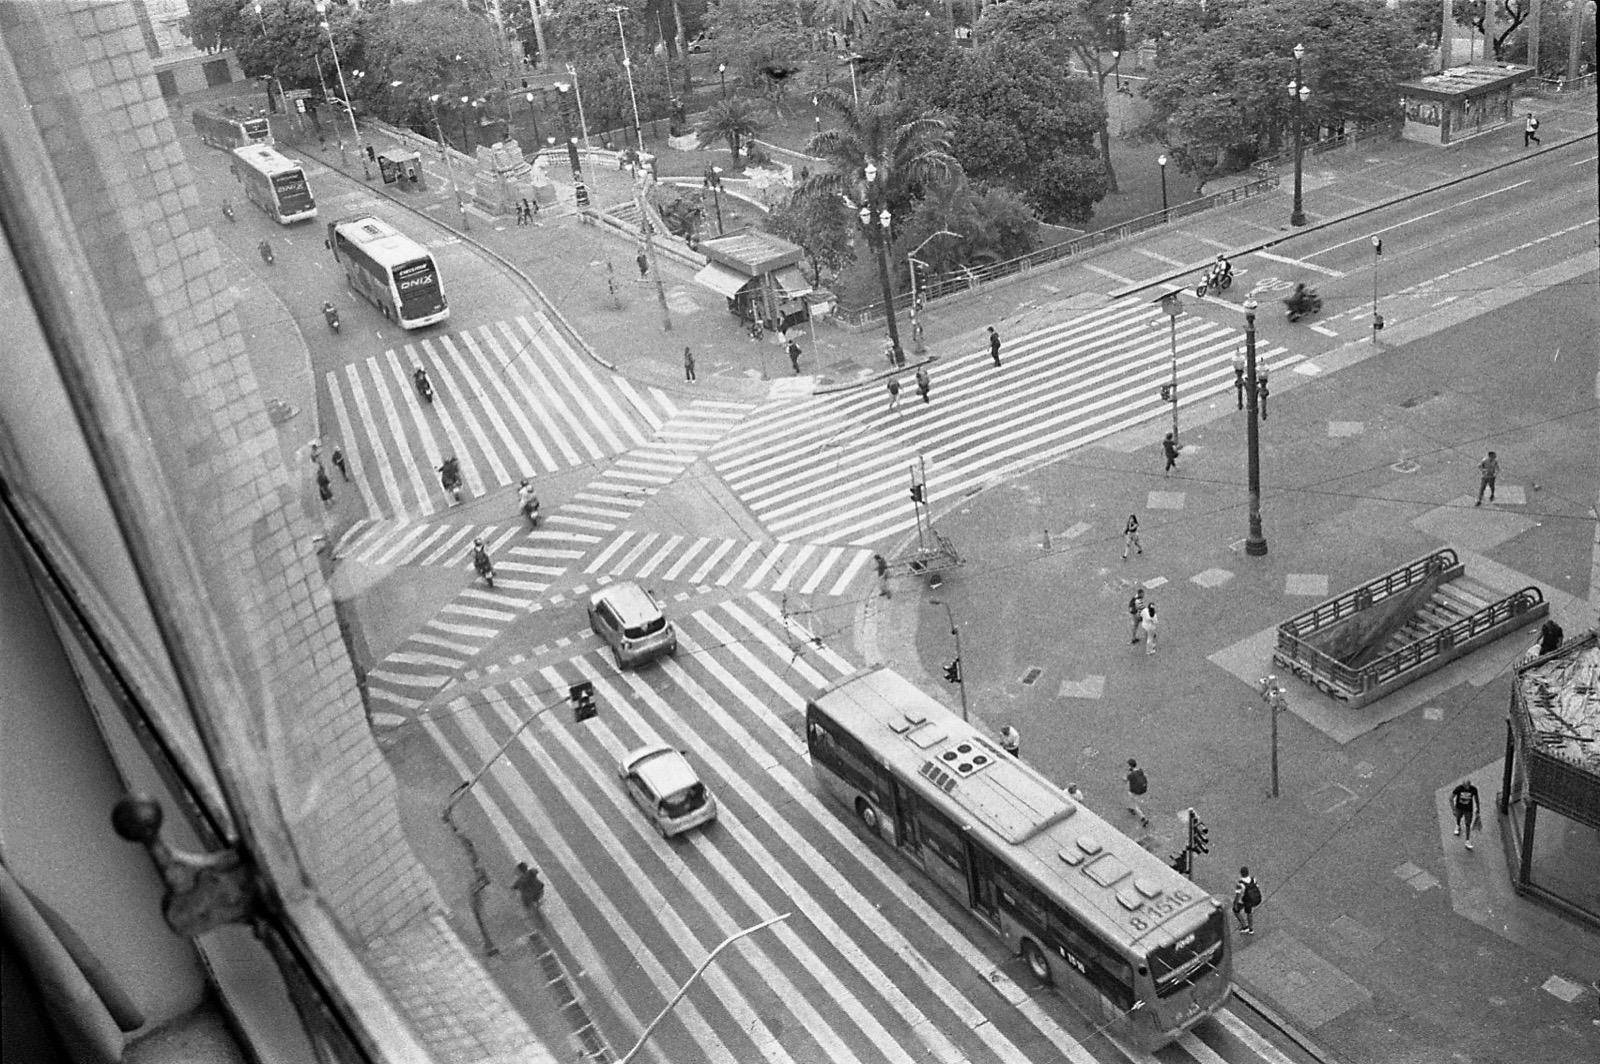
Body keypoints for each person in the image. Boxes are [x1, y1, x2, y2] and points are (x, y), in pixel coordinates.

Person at [1450, 780, 1481, 850]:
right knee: (1458, 817)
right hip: (1459, 808)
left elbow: (1476, 799)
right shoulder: (1459, 789)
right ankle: (1458, 825)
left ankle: (1467, 840)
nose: (1467, 787)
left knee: (1468, 824)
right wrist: (1453, 809)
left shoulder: (1473, 789)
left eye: (1468, 785)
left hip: (1468, 810)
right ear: (1463, 785)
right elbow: (1451, 798)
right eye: (1466, 786)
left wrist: (1478, 808)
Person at [1233, 867, 1261, 933]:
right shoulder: (1253, 879)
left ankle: (1244, 926)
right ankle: (1251, 928)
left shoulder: (1240, 883)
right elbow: (1257, 887)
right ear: (1248, 873)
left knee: (1236, 911)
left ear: (1241, 873)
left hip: (1244, 900)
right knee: (1249, 912)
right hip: (1252, 899)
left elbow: (1238, 895)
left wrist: (1235, 904)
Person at [1125, 759, 1150, 828]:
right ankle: (1131, 808)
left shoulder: (1131, 774)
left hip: (1134, 791)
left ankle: (1144, 818)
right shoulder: (1140, 771)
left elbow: (1125, 780)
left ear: (1130, 766)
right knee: (1132, 800)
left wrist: (1127, 774)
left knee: (1134, 804)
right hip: (1141, 789)